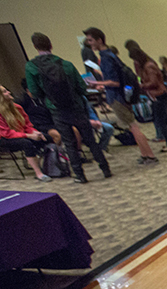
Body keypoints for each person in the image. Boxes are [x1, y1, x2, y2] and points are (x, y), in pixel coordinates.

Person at [26, 32, 111, 183]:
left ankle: (80, 175)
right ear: (51, 45)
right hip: (76, 107)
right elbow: (81, 88)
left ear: (35, 47)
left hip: (57, 110)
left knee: (69, 143)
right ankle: (105, 168)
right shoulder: (66, 64)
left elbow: (35, 92)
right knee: (90, 140)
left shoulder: (31, 67)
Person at [83, 27, 157, 165]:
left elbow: (114, 82)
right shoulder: (110, 55)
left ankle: (150, 155)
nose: (89, 43)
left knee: (133, 126)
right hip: (122, 95)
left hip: (117, 97)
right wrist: (102, 84)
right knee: (132, 126)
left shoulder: (106, 58)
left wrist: (96, 82)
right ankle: (146, 154)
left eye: (91, 40)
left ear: (99, 40)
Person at [130, 47, 167, 152]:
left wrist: (141, 85)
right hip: (158, 94)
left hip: (158, 95)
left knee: (161, 121)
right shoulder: (148, 65)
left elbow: (153, 82)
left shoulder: (149, 67)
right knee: (164, 120)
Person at [0, 85, 51, 181]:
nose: (9, 92)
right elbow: (6, 133)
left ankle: (49, 165)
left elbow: (27, 125)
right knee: (26, 143)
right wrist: (29, 135)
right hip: (5, 139)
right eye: (5, 92)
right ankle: (38, 173)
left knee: (46, 137)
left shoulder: (17, 107)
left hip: (22, 134)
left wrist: (35, 133)